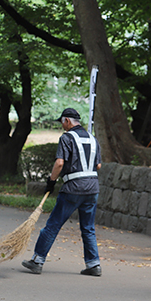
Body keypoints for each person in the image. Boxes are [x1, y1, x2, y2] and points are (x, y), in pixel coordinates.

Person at [22, 108, 102, 276]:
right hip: (92, 188)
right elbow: (98, 166)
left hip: (74, 188)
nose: (62, 126)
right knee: (88, 228)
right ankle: (94, 264)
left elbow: (59, 163)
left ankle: (37, 261)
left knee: (53, 225)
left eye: (62, 123)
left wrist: (51, 182)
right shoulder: (93, 139)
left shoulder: (67, 138)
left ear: (67, 121)